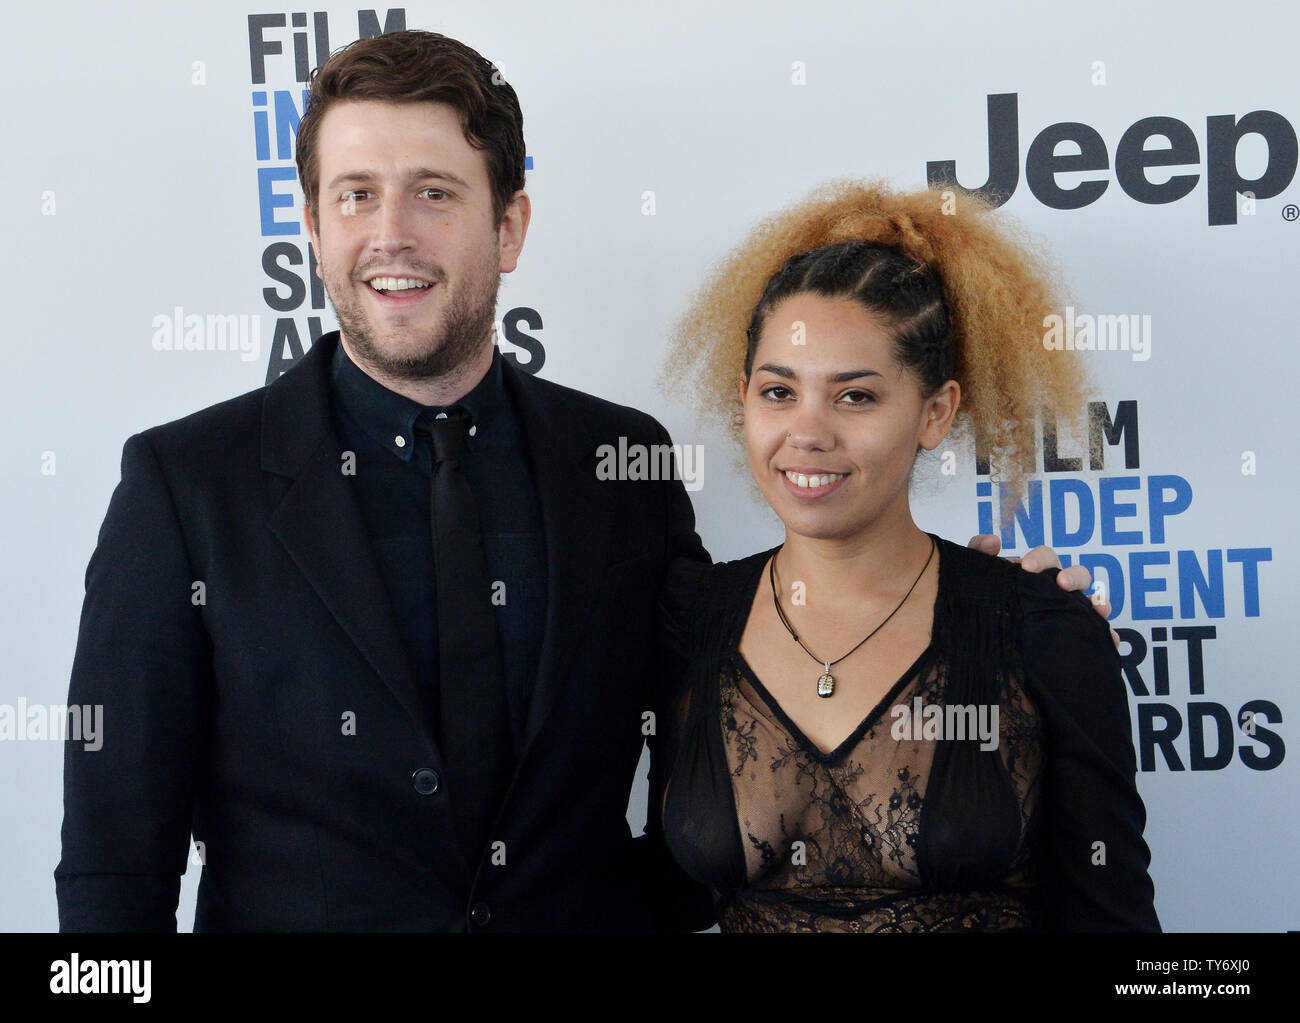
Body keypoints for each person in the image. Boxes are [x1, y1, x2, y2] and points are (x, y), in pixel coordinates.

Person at [54, 31, 1098, 932]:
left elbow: (738, 710)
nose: (391, 234)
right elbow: (115, 862)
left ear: (508, 227)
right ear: (315, 226)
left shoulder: (620, 468)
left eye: (434, 194)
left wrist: (980, 624)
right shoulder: (185, 486)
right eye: (355, 196)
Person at [657, 180, 1159, 932]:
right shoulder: (687, 617)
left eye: (856, 396)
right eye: (778, 391)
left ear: (936, 412)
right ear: (743, 398)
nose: (808, 433)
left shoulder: (1043, 626)